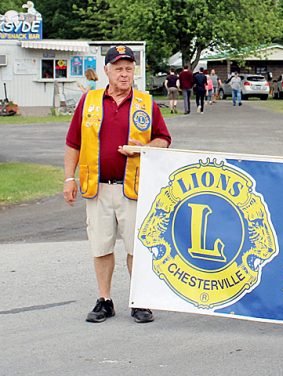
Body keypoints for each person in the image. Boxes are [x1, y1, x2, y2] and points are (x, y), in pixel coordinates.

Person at [63, 45, 172, 324]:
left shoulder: (146, 103)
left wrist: (145, 147)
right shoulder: (89, 101)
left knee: (136, 248)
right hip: (97, 188)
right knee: (101, 246)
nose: (124, 74)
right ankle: (105, 300)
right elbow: (73, 143)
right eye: (118, 68)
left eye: (128, 68)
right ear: (106, 70)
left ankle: (139, 300)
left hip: (133, 188)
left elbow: (164, 139)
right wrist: (68, 178)